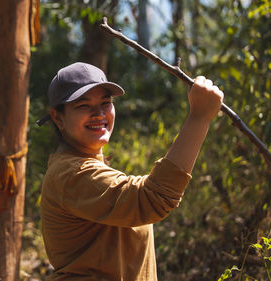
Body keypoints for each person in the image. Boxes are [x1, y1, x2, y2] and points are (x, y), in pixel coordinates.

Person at [36, 62, 224, 281]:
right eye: (83, 106)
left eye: (105, 103)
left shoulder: (89, 168)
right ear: (58, 118)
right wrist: (199, 117)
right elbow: (153, 197)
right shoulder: (72, 173)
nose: (99, 114)